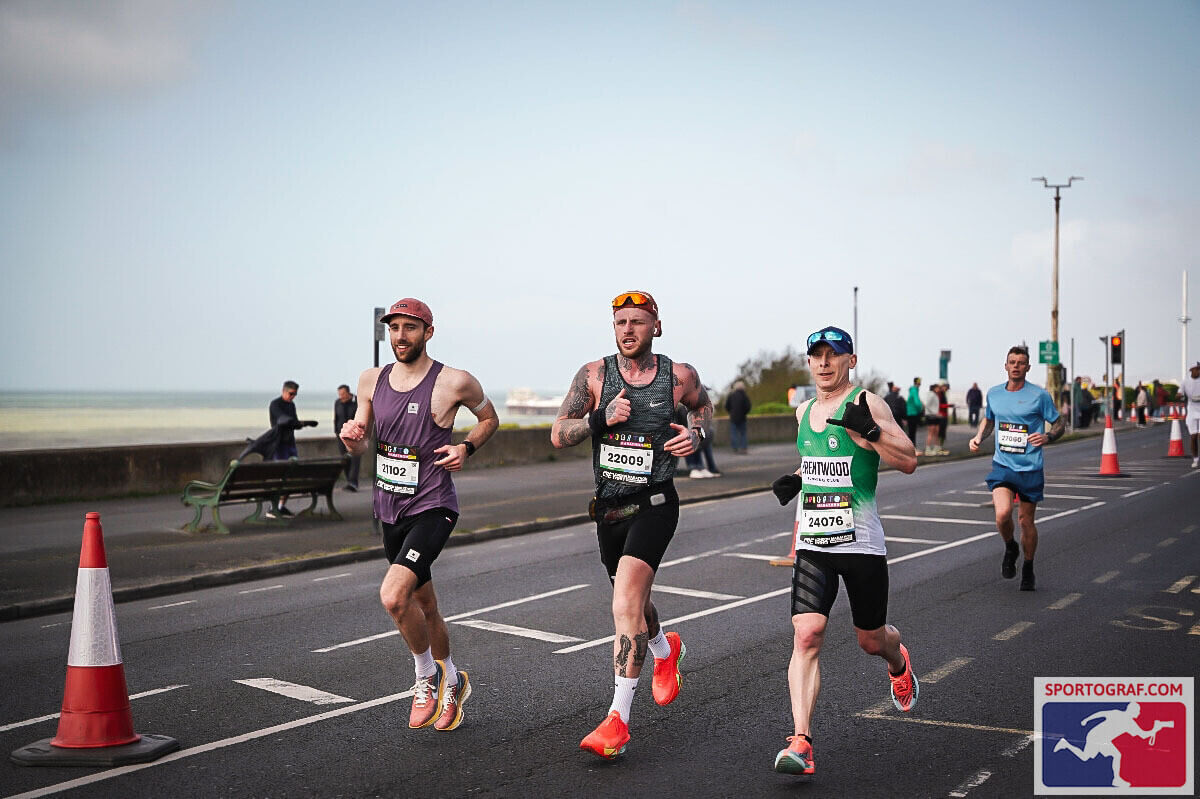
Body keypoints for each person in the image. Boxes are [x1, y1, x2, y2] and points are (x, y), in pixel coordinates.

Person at [550, 290, 711, 760]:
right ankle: (665, 648)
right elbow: (558, 433)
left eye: (638, 322)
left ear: (655, 327)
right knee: (635, 604)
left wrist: (695, 434)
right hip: (609, 510)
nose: (628, 330)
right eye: (621, 322)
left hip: (656, 503)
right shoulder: (594, 376)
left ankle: (617, 718)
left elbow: (704, 407)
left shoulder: (677, 376)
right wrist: (600, 418)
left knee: (624, 604)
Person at [339, 298, 499, 732]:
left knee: (393, 596)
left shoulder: (454, 381)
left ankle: (425, 676)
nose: (400, 337)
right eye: (394, 328)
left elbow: (489, 419)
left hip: (434, 507)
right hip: (390, 509)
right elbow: (360, 439)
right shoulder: (371, 380)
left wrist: (465, 447)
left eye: (410, 328)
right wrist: (352, 437)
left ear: (428, 332)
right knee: (425, 606)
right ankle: (454, 683)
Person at [769, 325, 919, 776]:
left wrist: (871, 431)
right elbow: (818, 459)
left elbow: (909, 459)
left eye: (833, 355)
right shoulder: (804, 412)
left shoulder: (866, 403)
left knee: (870, 640)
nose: (824, 362)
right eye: (816, 355)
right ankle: (801, 741)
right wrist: (798, 478)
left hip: (862, 543)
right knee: (807, 633)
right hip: (815, 540)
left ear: (850, 360)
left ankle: (898, 660)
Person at [969, 346, 1065, 591]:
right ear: (1005, 365)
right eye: (1012, 362)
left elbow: (1059, 422)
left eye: (1021, 363)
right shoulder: (994, 394)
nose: (1016, 366)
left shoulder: (1039, 396)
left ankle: (1029, 567)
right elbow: (989, 419)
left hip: (1030, 468)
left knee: (1025, 520)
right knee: (1002, 514)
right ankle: (1011, 547)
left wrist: (1049, 437)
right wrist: (979, 437)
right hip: (1003, 465)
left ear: (1028, 367)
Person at [267, 381, 318, 517]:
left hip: (290, 443)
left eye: (295, 394)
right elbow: (283, 420)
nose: (292, 397)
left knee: (290, 475)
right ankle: (273, 507)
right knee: (280, 476)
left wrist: (302, 424)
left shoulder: (291, 405)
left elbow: (293, 422)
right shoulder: (275, 404)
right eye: (291, 394)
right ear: (284, 391)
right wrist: (302, 423)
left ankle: (281, 506)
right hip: (279, 444)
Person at [333, 384, 361, 491]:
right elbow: (336, 417)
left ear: (348, 393)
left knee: (355, 459)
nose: (341, 397)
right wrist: (336, 431)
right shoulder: (337, 403)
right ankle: (349, 481)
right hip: (341, 436)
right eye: (339, 394)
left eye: (343, 394)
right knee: (345, 459)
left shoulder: (357, 402)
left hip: (354, 436)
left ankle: (353, 483)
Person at [725, 380, 752, 454]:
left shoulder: (731, 395)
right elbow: (748, 406)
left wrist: (731, 412)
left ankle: (735, 448)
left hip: (733, 417)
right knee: (743, 433)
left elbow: (727, 406)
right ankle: (743, 448)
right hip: (742, 417)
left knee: (734, 433)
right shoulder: (744, 396)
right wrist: (744, 413)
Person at [1182, 362, 1200, 468]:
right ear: (1191, 370)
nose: (1199, 371)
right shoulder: (1186, 382)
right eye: (1197, 369)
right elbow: (1180, 393)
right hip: (1192, 413)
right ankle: (1196, 459)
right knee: (1193, 437)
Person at [904, 377, 923, 444]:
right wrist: (920, 409)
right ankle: (912, 449)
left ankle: (911, 449)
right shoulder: (914, 390)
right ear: (918, 382)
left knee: (911, 432)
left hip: (910, 413)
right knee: (912, 432)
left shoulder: (913, 390)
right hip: (913, 414)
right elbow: (917, 403)